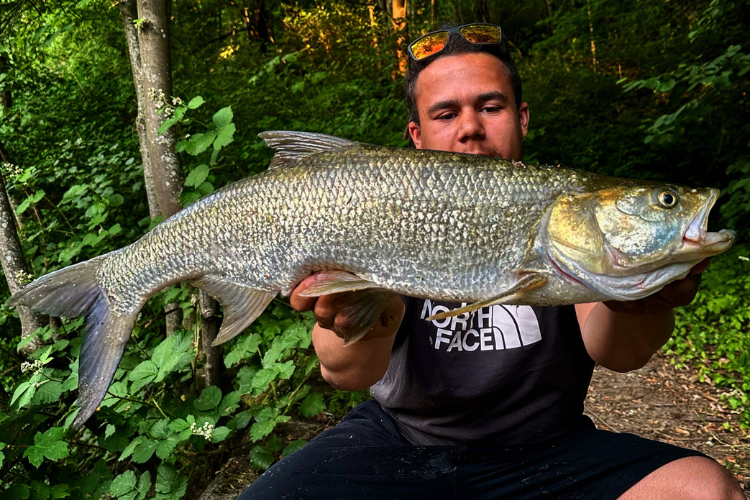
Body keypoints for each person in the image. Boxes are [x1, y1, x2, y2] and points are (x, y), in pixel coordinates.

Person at [238, 24, 745, 500]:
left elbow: (620, 354)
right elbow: (344, 372)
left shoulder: (563, 210)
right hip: (403, 444)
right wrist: (369, 315)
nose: (470, 129)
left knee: (707, 491)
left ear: (521, 117)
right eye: (445, 113)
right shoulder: (378, 204)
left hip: (548, 451)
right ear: (416, 136)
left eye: (491, 106)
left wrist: (645, 301)